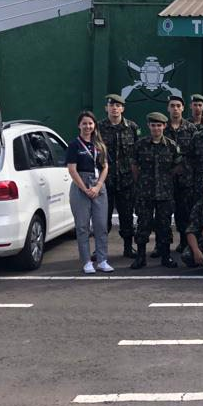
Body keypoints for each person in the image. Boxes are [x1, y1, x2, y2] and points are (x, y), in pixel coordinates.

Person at [131, 112, 182, 270]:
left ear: (164, 126)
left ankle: (166, 256)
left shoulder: (172, 145)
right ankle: (141, 257)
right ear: (149, 126)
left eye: (159, 125)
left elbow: (178, 167)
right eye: (153, 125)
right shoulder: (140, 144)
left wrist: (165, 179)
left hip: (165, 193)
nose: (156, 128)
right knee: (143, 225)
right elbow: (134, 166)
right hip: (145, 193)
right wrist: (142, 182)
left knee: (165, 225)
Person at [65, 111, 114, 274]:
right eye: (84, 123)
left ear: (94, 126)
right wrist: (85, 189)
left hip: (98, 186)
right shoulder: (74, 145)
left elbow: (105, 166)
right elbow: (72, 170)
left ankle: (102, 260)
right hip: (81, 187)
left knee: (101, 226)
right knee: (82, 227)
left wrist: (98, 186)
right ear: (79, 125)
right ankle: (87, 261)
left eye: (90, 123)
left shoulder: (100, 145)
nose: (88, 127)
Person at [98, 93, 140, 259]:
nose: (114, 108)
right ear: (106, 108)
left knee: (126, 215)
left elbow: (138, 152)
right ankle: (100, 250)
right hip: (105, 179)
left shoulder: (132, 127)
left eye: (118, 105)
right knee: (102, 217)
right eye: (111, 105)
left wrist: (137, 177)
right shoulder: (99, 127)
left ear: (123, 108)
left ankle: (128, 248)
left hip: (126, 180)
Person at [165, 94, 200, 254]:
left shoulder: (191, 129)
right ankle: (162, 244)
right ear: (168, 108)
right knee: (163, 214)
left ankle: (185, 242)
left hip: (186, 179)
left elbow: (196, 153)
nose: (175, 109)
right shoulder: (162, 128)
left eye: (178, 106)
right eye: (172, 106)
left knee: (184, 212)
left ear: (183, 108)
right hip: (165, 179)